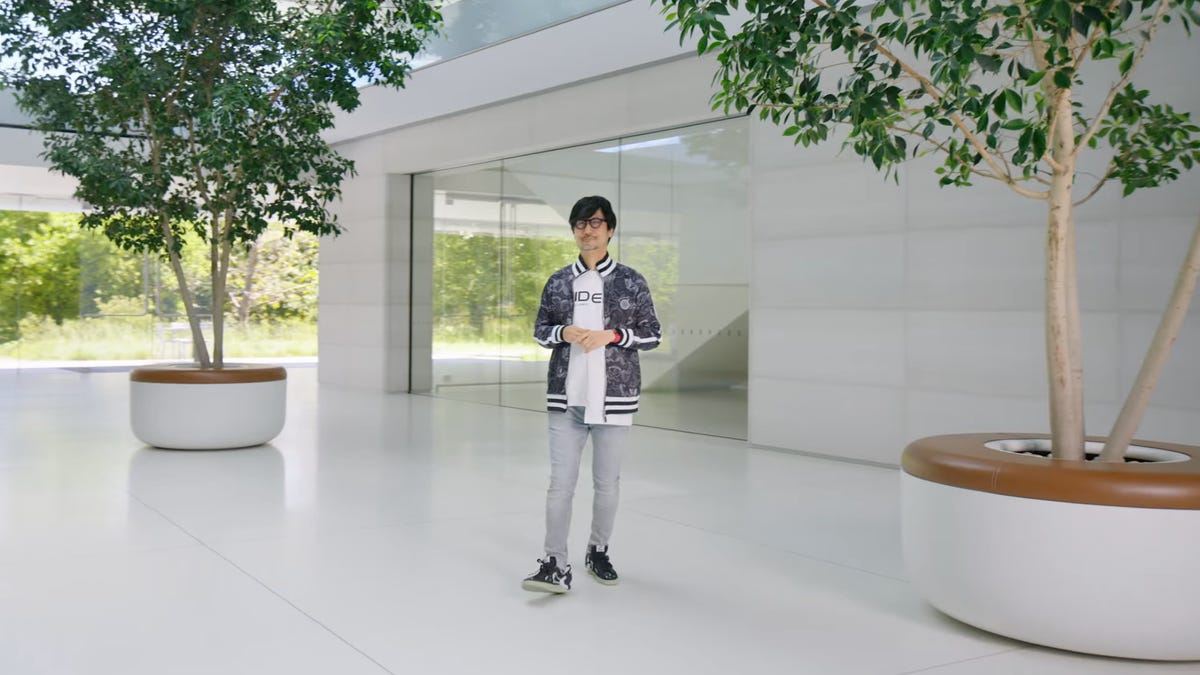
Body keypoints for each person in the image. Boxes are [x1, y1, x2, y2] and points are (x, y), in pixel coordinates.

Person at [522, 195, 662, 594]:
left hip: (614, 400)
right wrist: (563, 332)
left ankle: (597, 550)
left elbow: (652, 334)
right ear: (573, 231)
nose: (588, 230)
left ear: (610, 229)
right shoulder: (559, 281)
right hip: (566, 400)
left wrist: (612, 336)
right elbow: (540, 331)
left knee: (607, 485)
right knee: (559, 485)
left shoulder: (631, 281)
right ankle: (554, 563)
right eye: (580, 224)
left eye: (595, 223)